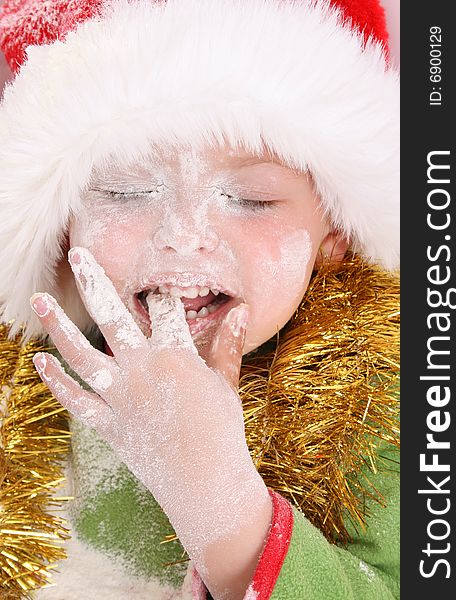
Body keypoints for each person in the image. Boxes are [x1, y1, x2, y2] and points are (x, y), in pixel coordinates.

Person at [0, 1, 399, 599]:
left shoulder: (387, 394)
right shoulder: (16, 382)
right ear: (60, 223)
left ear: (334, 233)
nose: (184, 236)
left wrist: (220, 506)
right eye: (125, 190)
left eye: (253, 198)